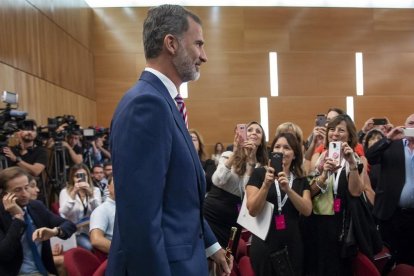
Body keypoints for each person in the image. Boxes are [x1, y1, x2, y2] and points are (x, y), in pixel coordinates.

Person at [107, 4, 231, 276]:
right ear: (171, 43)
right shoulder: (146, 104)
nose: (204, 56)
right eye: (198, 44)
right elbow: (140, 220)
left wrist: (210, 245)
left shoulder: (164, 102)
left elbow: (177, 200)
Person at [306, 114, 378, 275]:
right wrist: (323, 174)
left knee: (337, 267)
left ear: (350, 135)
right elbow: (310, 191)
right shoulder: (321, 157)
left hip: (341, 223)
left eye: (341, 130)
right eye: (332, 129)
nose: (335, 133)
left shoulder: (357, 159)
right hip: (318, 220)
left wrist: (351, 162)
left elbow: (356, 191)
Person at [246, 132, 312, 276]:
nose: (281, 151)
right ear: (272, 152)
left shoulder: (300, 179)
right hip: (264, 244)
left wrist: (288, 189)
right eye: (277, 147)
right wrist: (266, 184)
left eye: (287, 147)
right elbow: (252, 210)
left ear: (294, 154)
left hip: (292, 245)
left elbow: (307, 210)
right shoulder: (259, 173)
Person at [203, 122, 268, 253]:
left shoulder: (261, 167)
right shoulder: (228, 154)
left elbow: (246, 192)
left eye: (258, 131)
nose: (254, 132)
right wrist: (236, 152)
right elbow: (218, 179)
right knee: (205, 256)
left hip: (234, 219)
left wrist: (251, 161)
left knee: (226, 260)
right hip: (212, 213)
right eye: (249, 130)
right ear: (244, 135)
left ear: (261, 141)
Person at [0, 166, 76, 276]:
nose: (25, 194)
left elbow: (69, 225)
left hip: (44, 270)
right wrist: (18, 217)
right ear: (4, 195)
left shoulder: (36, 206)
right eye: (18, 190)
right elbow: (4, 254)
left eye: (26, 187)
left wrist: (55, 232)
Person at [366, 113, 414, 266]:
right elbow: (370, 156)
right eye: (411, 123)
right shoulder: (392, 144)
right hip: (392, 214)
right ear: (405, 126)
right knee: (390, 259)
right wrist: (388, 138)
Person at [59, 163, 101, 251]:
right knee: (89, 247)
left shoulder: (95, 190)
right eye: (77, 175)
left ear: (88, 176)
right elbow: (63, 213)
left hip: (93, 230)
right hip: (75, 232)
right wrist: (73, 193)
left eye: (83, 175)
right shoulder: (65, 192)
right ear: (72, 178)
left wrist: (90, 194)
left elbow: (99, 210)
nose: (80, 178)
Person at [90, 174, 115, 255]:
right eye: (116, 183)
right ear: (108, 187)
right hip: (121, 259)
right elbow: (96, 240)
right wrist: (124, 252)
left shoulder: (129, 207)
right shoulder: (101, 210)